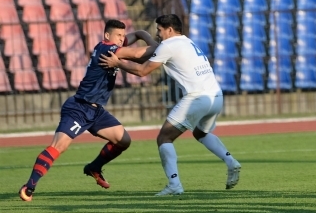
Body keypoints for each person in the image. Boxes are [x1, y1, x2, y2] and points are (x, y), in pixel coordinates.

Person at [100, 14, 242, 195]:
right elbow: (146, 57)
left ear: (169, 29)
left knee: (164, 138)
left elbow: (142, 71)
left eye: (159, 30)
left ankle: (174, 184)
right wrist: (137, 41)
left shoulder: (168, 45)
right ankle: (231, 162)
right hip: (215, 96)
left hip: (197, 98)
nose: (158, 34)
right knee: (201, 133)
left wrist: (117, 63)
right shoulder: (186, 41)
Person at [19, 20, 157, 202]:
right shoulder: (107, 49)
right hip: (79, 107)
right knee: (59, 146)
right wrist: (161, 46)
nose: (121, 39)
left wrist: (143, 35)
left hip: (96, 111)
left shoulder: (113, 47)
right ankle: (29, 186)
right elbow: (139, 54)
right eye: (118, 35)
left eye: (123, 36)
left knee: (123, 140)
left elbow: (137, 37)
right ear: (107, 35)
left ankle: (94, 167)